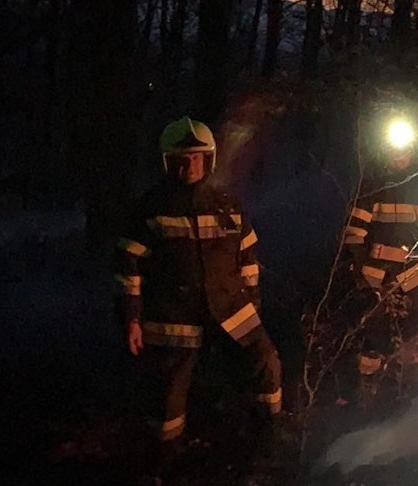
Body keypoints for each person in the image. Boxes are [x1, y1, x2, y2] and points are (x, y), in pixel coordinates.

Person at [113, 116, 283, 477]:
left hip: (232, 309)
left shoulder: (227, 204)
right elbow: (128, 270)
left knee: (266, 361)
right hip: (173, 316)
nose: (189, 165)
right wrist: (131, 318)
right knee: (168, 395)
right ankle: (165, 463)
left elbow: (248, 257)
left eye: (197, 157)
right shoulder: (149, 209)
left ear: (209, 159)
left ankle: (267, 441)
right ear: (167, 161)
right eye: (181, 158)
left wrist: (253, 304)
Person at [341, 119, 418, 409]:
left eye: (404, 150)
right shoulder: (373, 186)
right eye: (394, 151)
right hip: (374, 277)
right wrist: (362, 277)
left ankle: (411, 399)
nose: (399, 157)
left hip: (412, 278)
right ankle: (365, 396)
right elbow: (354, 236)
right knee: (373, 339)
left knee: (414, 335)